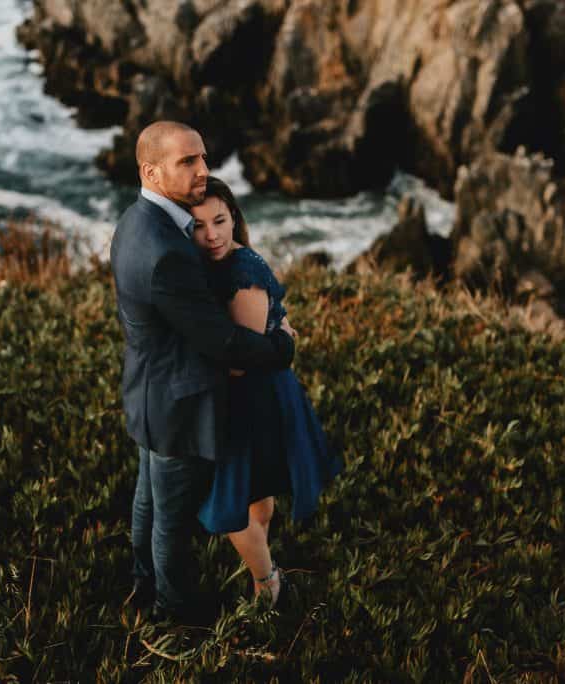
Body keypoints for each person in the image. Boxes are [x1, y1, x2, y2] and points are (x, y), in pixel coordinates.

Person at [110, 121, 298, 623]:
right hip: (180, 405)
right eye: (187, 162)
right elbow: (223, 341)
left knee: (148, 504)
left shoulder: (133, 221)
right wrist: (281, 346)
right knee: (169, 522)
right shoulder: (167, 251)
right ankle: (173, 614)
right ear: (152, 171)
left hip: (149, 391)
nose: (203, 171)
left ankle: (142, 583)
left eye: (203, 158)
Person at [191, 177, 342, 607]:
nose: (212, 234)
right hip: (256, 393)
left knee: (231, 503)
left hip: (252, 399)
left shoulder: (243, 272)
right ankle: (264, 558)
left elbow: (243, 360)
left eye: (220, 221)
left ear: (234, 218)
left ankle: (266, 582)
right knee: (256, 490)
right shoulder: (209, 266)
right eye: (199, 226)